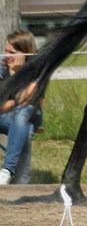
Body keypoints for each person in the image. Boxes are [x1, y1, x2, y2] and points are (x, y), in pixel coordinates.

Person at [0, 29, 42, 185]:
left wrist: (14, 74)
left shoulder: (38, 69)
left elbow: (25, 100)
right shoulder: (2, 67)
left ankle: (7, 170)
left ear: (25, 52)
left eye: (12, 52)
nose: (7, 55)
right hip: (6, 118)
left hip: (30, 114)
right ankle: (21, 183)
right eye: (5, 51)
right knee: (26, 128)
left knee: (23, 113)